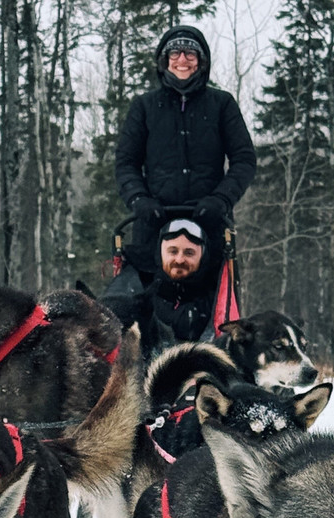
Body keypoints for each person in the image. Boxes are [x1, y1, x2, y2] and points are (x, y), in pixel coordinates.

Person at [115, 25, 256, 276]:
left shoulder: (222, 104)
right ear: (164, 61)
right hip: (153, 223)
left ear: (201, 61)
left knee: (216, 307)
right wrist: (139, 200)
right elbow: (126, 162)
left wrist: (221, 200)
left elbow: (244, 159)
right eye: (175, 53)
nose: (182, 60)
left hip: (210, 222)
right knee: (140, 301)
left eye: (190, 54)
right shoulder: (144, 107)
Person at [103, 218, 225, 358]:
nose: (179, 260)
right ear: (161, 254)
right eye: (173, 251)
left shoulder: (216, 294)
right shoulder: (136, 288)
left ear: (201, 256)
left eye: (189, 253)